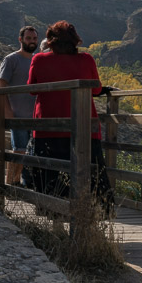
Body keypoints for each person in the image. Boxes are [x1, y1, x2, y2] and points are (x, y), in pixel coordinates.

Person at [27, 21, 113, 207]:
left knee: (49, 176)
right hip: (84, 127)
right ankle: (96, 214)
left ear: (50, 41)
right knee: (92, 173)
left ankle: (52, 214)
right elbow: (96, 90)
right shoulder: (87, 59)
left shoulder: (39, 60)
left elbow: (32, 89)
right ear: (75, 40)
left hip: (48, 127)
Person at [0, 26, 38, 186]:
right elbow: (1, 85)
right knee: (19, 149)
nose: (32, 41)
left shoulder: (37, 60)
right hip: (18, 115)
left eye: (34, 38)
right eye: (28, 38)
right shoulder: (11, 59)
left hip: (36, 116)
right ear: (20, 39)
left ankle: (26, 184)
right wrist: (8, 112)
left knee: (32, 152)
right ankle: (11, 186)